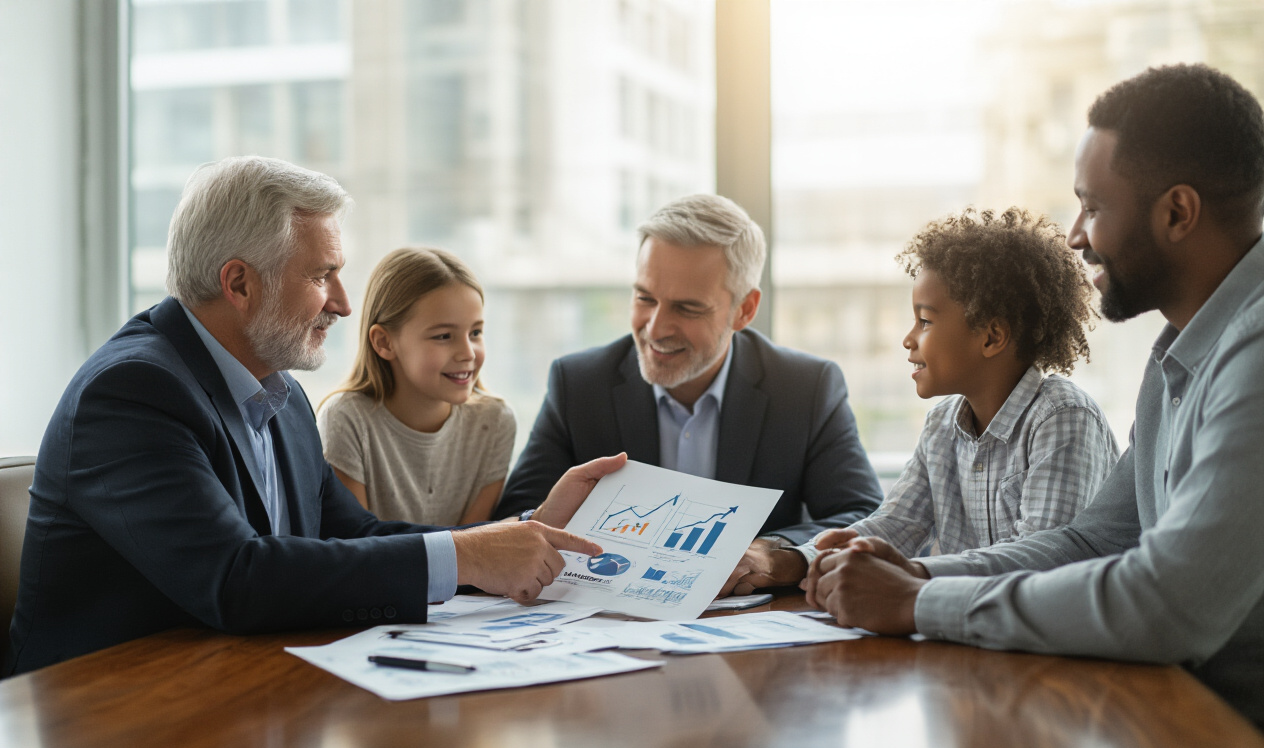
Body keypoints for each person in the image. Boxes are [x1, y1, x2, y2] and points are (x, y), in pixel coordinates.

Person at [4, 156, 619, 676]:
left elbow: (346, 536)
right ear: (239, 283)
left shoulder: (279, 390)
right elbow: (235, 577)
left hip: (233, 684)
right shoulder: (132, 392)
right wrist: (469, 556)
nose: (345, 304)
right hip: (105, 711)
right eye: (323, 275)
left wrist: (524, 535)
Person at [805, 63, 1264, 726]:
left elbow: (1170, 604)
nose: (1076, 235)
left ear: (1177, 212)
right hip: (1184, 726)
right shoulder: (1179, 355)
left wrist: (915, 604)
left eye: (1095, 207)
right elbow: (1095, 539)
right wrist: (920, 578)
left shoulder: (1254, 352)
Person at [493, 194, 884, 593]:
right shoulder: (578, 385)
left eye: (687, 308)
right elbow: (512, 526)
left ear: (744, 310)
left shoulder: (806, 388)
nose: (656, 327)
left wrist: (772, 551)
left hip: (746, 631)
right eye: (645, 298)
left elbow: (865, 515)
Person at [800, 207, 1119, 565]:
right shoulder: (941, 425)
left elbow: (1038, 560)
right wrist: (796, 560)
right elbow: (895, 525)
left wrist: (917, 575)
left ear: (992, 336)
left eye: (925, 321)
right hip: (965, 616)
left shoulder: (1062, 418)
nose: (908, 339)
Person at [317, 247, 515, 526]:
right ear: (384, 342)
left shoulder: (495, 422)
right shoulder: (346, 419)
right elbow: (357, 545)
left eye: (475, 333)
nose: (468, 353)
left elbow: (476, 544)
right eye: (444, 336)